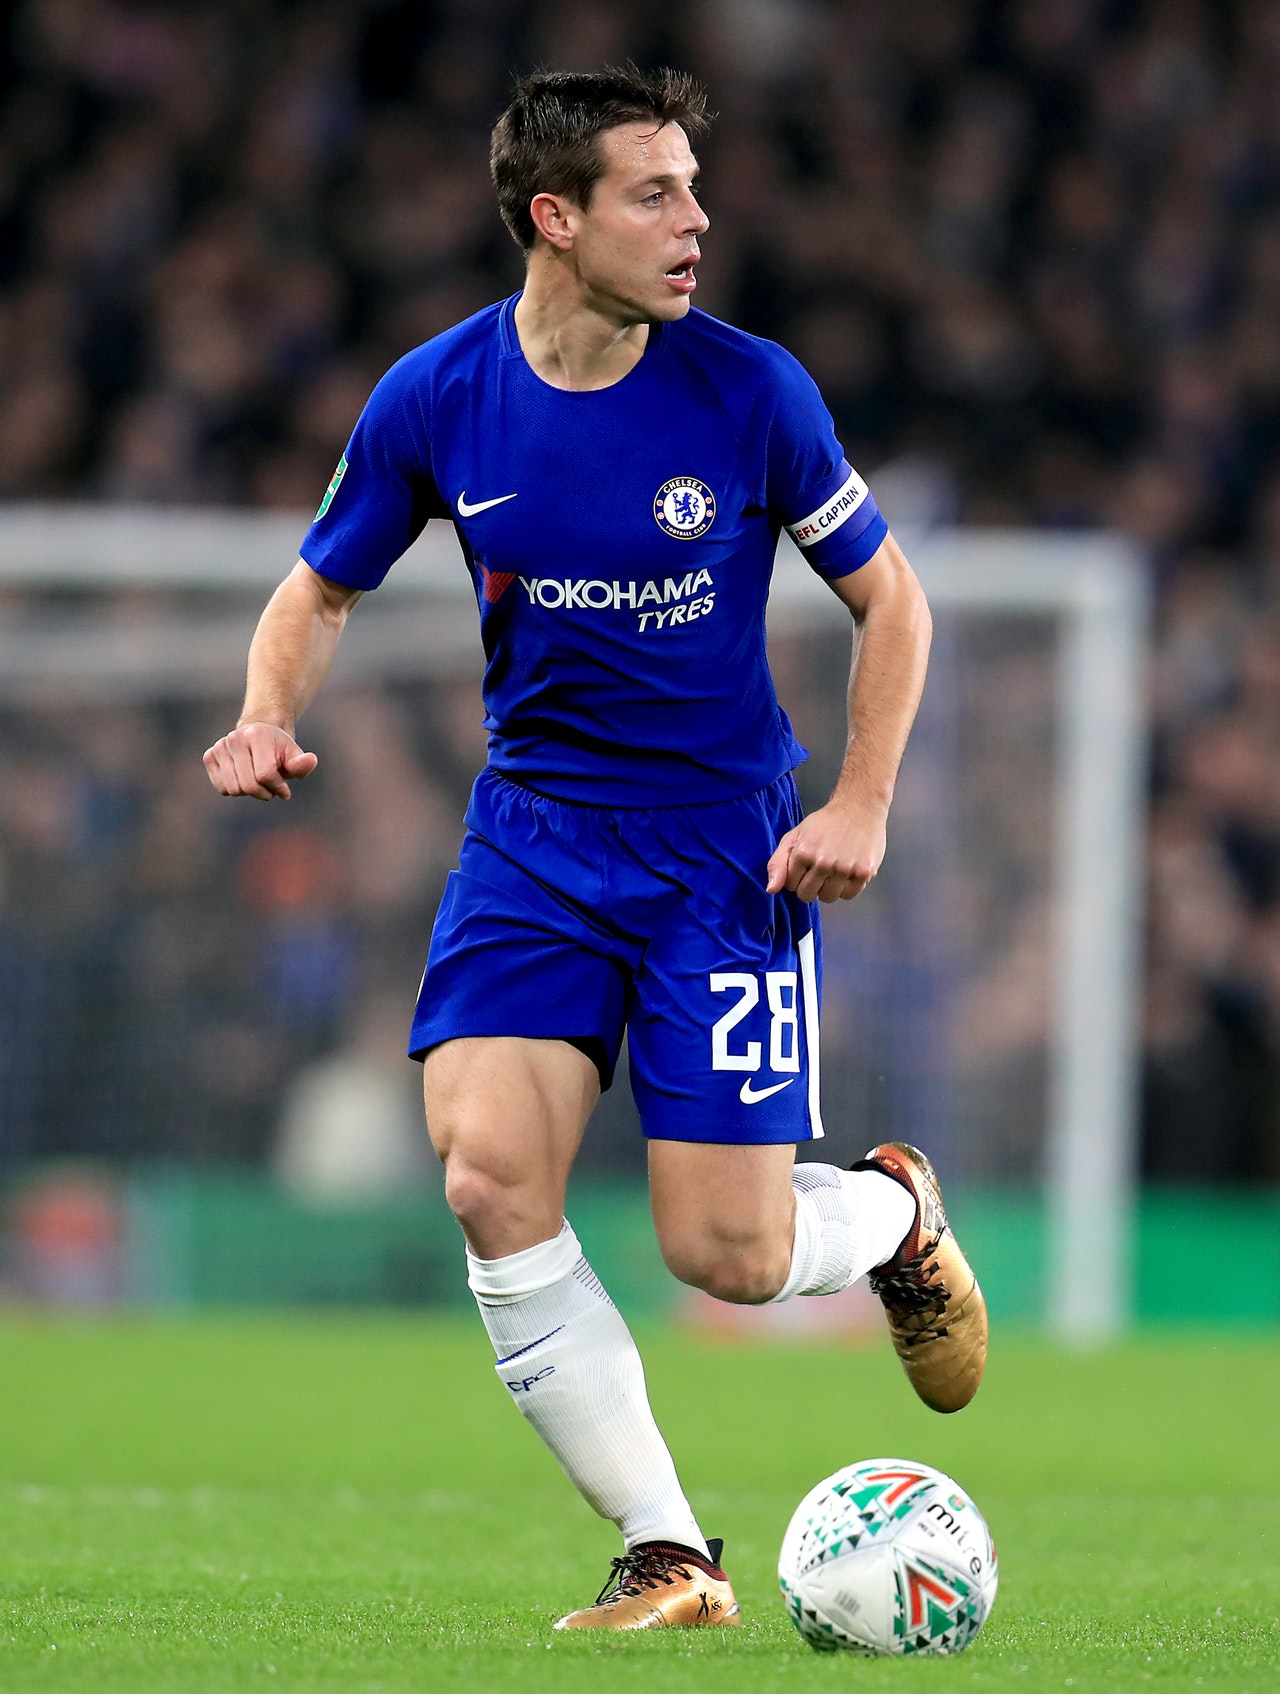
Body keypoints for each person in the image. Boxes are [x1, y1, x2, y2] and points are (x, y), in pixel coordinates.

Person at [204, 65, 987, 1631]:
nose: (697, 222)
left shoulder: (752, 390)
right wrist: (262, 712)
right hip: (536, 841)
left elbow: (890, 598)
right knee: (488, 1176)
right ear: (554, 218)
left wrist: (863, 801)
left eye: (694, 188)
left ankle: (895, 1213)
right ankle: (668, 1548)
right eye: (656, 193)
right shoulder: (438, 395)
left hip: (723, 858)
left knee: (729, 1254)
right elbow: (319, 585)